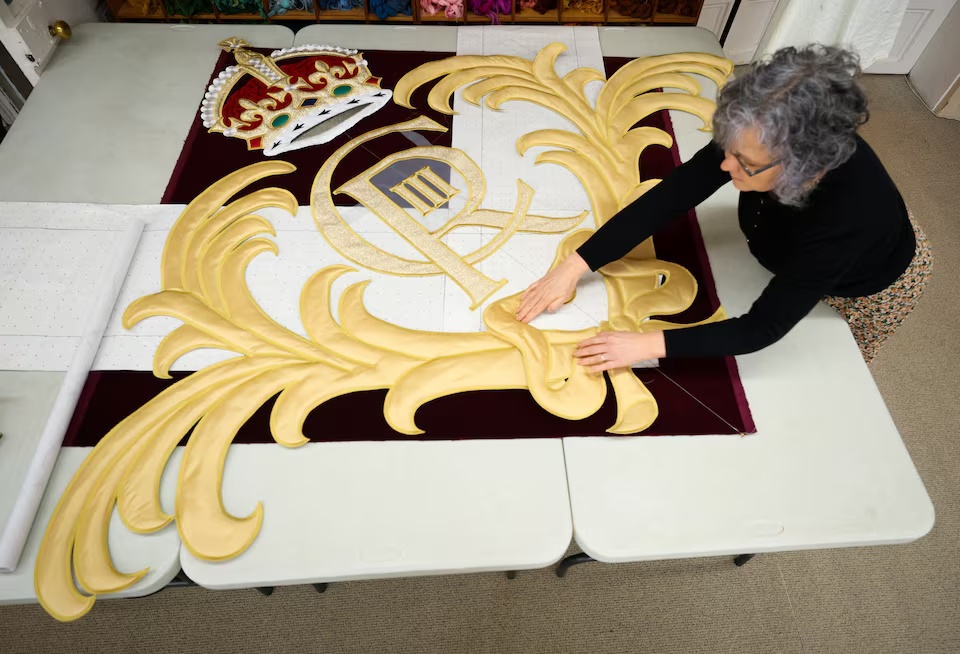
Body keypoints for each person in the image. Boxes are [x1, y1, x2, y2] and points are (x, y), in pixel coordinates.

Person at [515, 44, 932, 370]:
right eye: (729, 149)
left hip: (867, 287)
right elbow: (672, 196)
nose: (725, 166)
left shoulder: (848, 220)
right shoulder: (757, 130)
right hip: (796, 251)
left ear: (802, 164)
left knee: (831, 366)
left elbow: (762, 327)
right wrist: (576, 265)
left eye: (744, 164)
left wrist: (646, 343)